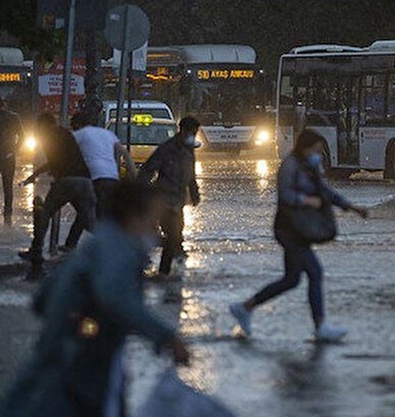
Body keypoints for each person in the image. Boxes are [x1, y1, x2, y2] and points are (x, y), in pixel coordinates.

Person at [0, 180, 191, 417]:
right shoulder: (119, 249)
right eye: (152, 221)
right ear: (132, 217)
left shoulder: (97, 244)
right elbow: (114, 297)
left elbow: (42, 300)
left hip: (59, 369)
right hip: (82, 376)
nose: (156, 233)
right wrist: (167, 336)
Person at [229, 129, 368, 342]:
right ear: (305, 147)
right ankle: (320, 326)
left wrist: (351, 207)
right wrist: (306, 200)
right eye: (316, 150)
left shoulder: (311, 166)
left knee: (291, 280)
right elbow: (285, 195)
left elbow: (325, 192)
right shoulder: (290, 166)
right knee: (315, 272)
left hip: (301, 229)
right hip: (288, 229)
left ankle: (244, 307)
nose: (319, 154)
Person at [19, 114, 96, 263]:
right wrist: (35, 175)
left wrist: (46, 175)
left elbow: (55, 162)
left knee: (45, 214)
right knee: (90, 221)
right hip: (85, 181)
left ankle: (36, 250)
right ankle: (119, 248)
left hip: (66, 181)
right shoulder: (67, 134)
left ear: (43, 126)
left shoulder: (49, 137)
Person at [137, 116, 202, 276]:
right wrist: (141, 192)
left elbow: (191, 175)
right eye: (191, 132)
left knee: (176, 236)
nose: (192, 136)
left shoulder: (189, 150)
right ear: (182, 131)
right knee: (172, 234)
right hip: (163, 200)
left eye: (195, 133)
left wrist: (194, 194)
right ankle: (159, 269)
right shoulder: (166, 149)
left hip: (178, 202)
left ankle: (171, 271)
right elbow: (148, 169)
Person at [62, 112, 137, 251]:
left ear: (77, 125)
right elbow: (125, 154)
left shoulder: (78, 135)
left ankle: (115, 246)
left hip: (95, 179)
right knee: (89, 210)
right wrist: (133, 175)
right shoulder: (107, 134)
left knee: (96, 214)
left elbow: (60, 156)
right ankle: (70, 244)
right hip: (112, 178)